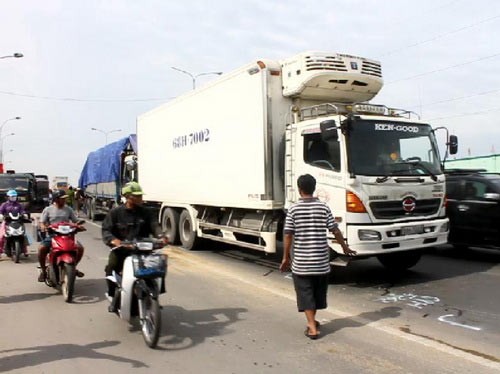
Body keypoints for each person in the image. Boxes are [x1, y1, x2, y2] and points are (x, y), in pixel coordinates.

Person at [279, 174, 356, 340]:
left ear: (299, 190)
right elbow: (335, 230)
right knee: (315, 294)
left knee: (305, 294)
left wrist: (285, 257)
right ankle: (312, 321)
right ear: (314, 189)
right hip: (321, 262)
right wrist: (344, 247)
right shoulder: (323, 207)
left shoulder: (293, 209)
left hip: (302, 263)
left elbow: (288, 235)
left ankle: (312, 327)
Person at [101, 182, 167, 300]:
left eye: (140, 195)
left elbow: (154, 225)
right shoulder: (115, 213)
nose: (140, 198)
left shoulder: (146, 212)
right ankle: (112, 294)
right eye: (137, 196)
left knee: (158, 266)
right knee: (111, 266)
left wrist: (161, 236)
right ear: (127, 196)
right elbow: (106, 230)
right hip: (122, 250)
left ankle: (154, 295)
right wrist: (114, 240)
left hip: (142, 250)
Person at [37, 189, 85, 282]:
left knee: (80, 248)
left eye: (64, 199)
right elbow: (42, 222)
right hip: (53, 236)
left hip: (68, 236)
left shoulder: (68, 209)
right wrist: (43, 227)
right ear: (56, 199)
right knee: (41, 249)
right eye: (62, 198)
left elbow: (75, 221)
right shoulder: (48, 209)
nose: (64, 200)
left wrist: (79, 226)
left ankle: (73, 267)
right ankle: (43, 271)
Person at [0, 190, 27, 257]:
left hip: (18, 222)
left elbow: (22, 211)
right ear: (8, 197)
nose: (13, 198)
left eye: (15, 196)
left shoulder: (19, 205)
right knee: (1, 237)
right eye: (12, 196)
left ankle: (25, 251)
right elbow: (1, 211)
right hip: (7, 222)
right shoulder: (4, 205)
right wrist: (1, 215)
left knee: (24, 235)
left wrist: (24, 214)